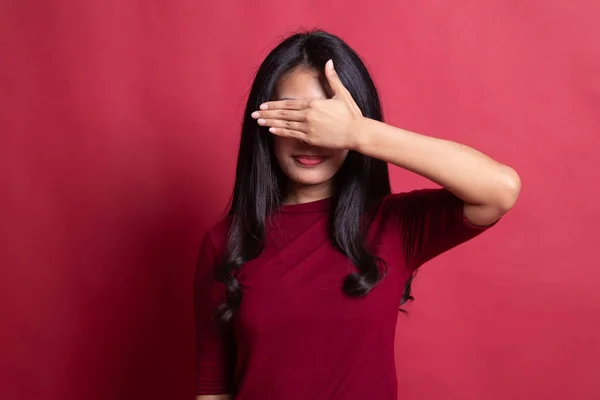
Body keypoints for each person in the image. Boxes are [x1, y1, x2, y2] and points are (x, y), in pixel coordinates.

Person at [193, 30, 520, 400]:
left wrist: (359, 133)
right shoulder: (225, 241)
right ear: (263, 125)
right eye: (294, 118)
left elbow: (500, 188)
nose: (310, 139)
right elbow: (213, 385)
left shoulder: (394, 225)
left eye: (325, 122)